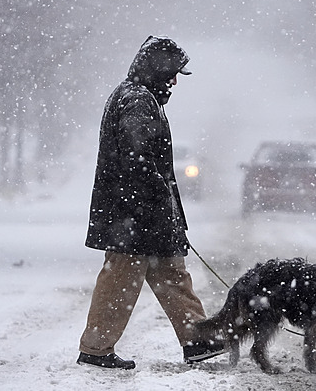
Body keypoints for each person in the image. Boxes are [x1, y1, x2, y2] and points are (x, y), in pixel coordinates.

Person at [77, 36, 224, 369]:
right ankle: (96, 350)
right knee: (120, 281)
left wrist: (167, 212)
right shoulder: (137, 101)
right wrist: (159, 199)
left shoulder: (140, 98)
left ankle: (197, 340)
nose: (174, 81)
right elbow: (137, 158)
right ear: (156, 70)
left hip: (142, 214)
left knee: (172, 274)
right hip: (132, 215)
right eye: (172, 73)